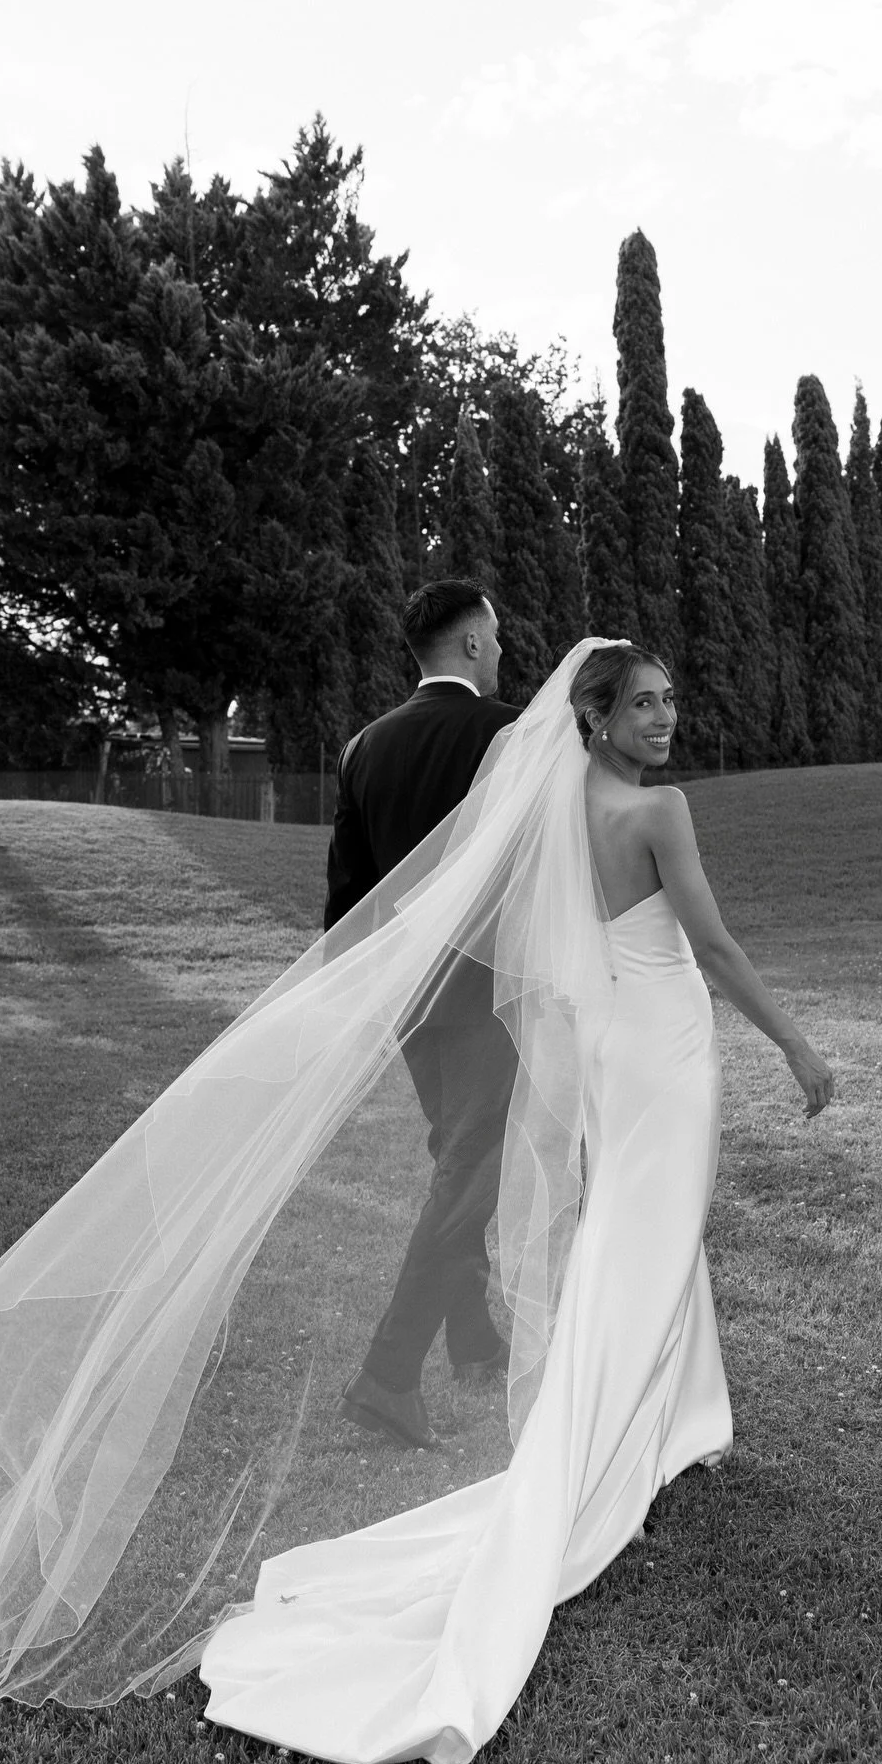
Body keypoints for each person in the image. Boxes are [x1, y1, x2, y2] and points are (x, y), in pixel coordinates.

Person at [0, 637, 833, 1764]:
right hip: (660, 1051)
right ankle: (597, 1457)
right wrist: (798, 1048)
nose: (666, 718)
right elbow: (707, 941)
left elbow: (506, 930)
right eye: (644, 703)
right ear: (599, 720)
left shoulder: (555, 805)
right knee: (642, 1251)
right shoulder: (660, 816)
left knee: (643, 1239)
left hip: (612, 1042)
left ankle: (682, 1421)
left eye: (670, 699)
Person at [325, 577, 520, 1451]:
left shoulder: (363, 745)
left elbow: (347, 902)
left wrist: (363, 997)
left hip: (408, 998)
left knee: (458, 1158)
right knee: (471, 1169)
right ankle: (388, 1375)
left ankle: (473, 1340)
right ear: (474, 644)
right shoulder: (510, 734)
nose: (504, 650)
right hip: (489, 994)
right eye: (498, 637)